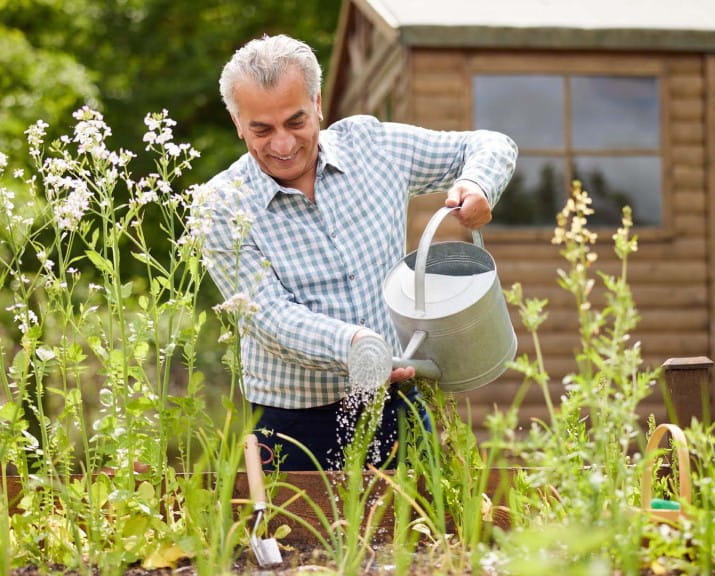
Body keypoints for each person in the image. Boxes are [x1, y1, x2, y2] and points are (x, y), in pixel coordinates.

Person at [200, 34, 517, 470]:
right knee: (299, 540)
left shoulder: (374, 149)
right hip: (294, 426)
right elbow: (268, 319)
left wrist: (479, 185)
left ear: (317, 103)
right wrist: (356, 344)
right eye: (261, 130)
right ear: (238, 123)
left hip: (396, 406)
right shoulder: (221, 205)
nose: (283, 144)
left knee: (429, 536)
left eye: (296, 122)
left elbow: (488, 144)